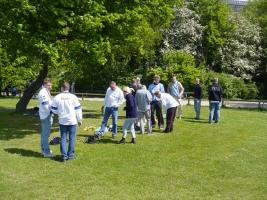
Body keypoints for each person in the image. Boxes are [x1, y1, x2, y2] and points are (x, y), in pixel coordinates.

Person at [51, 82, 82, 161]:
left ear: (62, 88)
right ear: (68, 88)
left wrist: (60, 113)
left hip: (62, 121)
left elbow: (53, 110)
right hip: (72, 121)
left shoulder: (57, 97)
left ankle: (64, 156)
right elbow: (78, 109)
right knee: (72, 138)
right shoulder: (73, 97)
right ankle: (71, 155)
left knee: (63, 138)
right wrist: (79, 120)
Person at [38, 78, 53, 157]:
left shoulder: (46, 91)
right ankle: (46, 152)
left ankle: (43, 150)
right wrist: (51, 112)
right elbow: (45, 105)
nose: (50, 86)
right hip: (46, 115)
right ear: (44, 85)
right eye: (48, 85)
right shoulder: (43, 92)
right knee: (45, 134)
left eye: (51, 85)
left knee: (45, 134)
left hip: (46, 115)